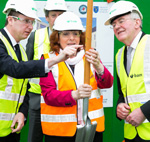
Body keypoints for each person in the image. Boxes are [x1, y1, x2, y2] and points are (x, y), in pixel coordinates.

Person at [0, 0, 81, 141]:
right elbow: (15, 69)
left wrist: (22, 111)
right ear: (11, 20)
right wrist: (55, 59)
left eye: (32, 22)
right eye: (26, 21)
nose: (30, 27)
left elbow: (23, 85)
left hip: (11, 126)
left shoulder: (20, 50)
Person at [40, 11, 114, 142]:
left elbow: (107, 84)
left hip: (91, 129)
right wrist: (75, 95)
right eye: (66, 34)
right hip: (60, 133)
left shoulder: (90, 56)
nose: (72, 38)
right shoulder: (49, 59)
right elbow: (48, 95)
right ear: (57, 37)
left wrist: (99, 66)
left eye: (76, 33)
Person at [105, 1, 150, 142]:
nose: (117, 26)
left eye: (121, 21)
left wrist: (144, 112)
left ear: (137, 22)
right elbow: (122, 93)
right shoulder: (119, 55)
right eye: (114, 25)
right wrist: (120, 106)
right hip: (131, 134)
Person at [26, 0, 68, 141]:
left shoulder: (71, 38)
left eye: (60, 15)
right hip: (37, 99)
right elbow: (26, 67)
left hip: (60, 99)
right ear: (47, 17)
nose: (56, 18)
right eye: (53, 15)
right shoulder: (35, 36)